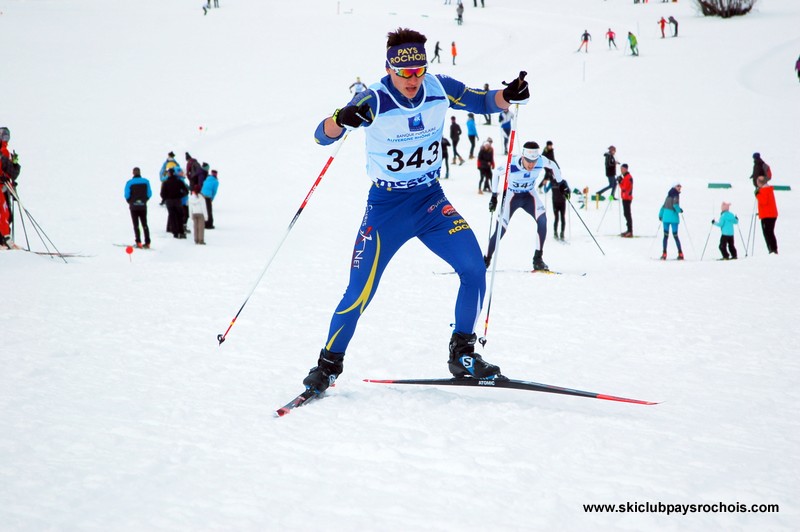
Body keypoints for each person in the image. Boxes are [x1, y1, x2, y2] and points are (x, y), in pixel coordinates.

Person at [303, 27, 530, 395]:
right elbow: (320, 135)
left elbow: (484, 101)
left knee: (474, 268)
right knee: (360, 293)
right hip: (386, 208)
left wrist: (509, 95)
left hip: (430, 201)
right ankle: (327, 365)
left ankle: (463, 353)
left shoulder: (440, 87)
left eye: (418, 70)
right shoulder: (373, 99)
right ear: (390, 68)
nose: (412, 79)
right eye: (404, 72)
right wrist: (341, 119)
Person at [484, 141, 563, 271]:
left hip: (529, 196)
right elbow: (496, 174)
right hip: (512, 197)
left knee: (542, 220)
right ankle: (485, 260)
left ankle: (538, 259)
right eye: (528, 161)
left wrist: (561, 183)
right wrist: (494, 196)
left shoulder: (541, 161)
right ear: (522, 157)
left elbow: (553, 165)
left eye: (534, 161)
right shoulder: (512, 164)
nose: (532, 164)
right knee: (500, 230)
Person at [124, 167, 152, 249]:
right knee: (145, 224)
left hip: (134, 206)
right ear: (140, 172)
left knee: (136, 224)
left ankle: (138, 242)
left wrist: (130, 201)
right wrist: (145, 200)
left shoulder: (129, 183)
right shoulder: (146, 181)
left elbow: (126, 194)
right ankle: (147, 242)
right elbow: (149, 193)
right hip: (143, 206)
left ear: (133, 173)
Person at [160, 168, 188, 239]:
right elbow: (186, 191)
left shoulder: (165, 183)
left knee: (172, 216)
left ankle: (175, 232)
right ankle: (181, 231)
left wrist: (166, 198)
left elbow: (162, 194)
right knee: (179, 216)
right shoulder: (179, 182)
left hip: (169, 201)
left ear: (169, 174)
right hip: (178, 200)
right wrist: (180, 195)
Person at [658, 183, 684, 260]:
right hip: (673, 219)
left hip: (665, 218)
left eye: (680, 186)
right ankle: (680, 253)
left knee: (665, 236)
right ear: (674, 187)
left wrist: (660, 215)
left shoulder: (668, 195)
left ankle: (664, 253)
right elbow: (675, 206)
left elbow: (663, 206)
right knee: (675, 236)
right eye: (678, 186)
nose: (679, 187)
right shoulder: (676, 195)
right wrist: (680, 210)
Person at [755, 176, 778, 254]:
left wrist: (757, 195)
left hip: (767, 216)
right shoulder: (767, 189)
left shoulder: (764, 190)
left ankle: (772, 249)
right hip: (770, 214)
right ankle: (773, 249)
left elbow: (763, 201)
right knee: (770, 232)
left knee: (768, 233)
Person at [618, 163, 634, 237]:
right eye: (621, 169)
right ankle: (628, 230)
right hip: (625, 197)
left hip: (627, 198)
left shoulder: (628, 177)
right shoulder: (625, 177)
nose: (621, 170)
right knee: (626, 214)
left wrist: (620, 182)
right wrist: (620, 181)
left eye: (623, 169)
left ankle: (630, 231)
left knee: (627, 214)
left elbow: (624, 188)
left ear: (626, 169)